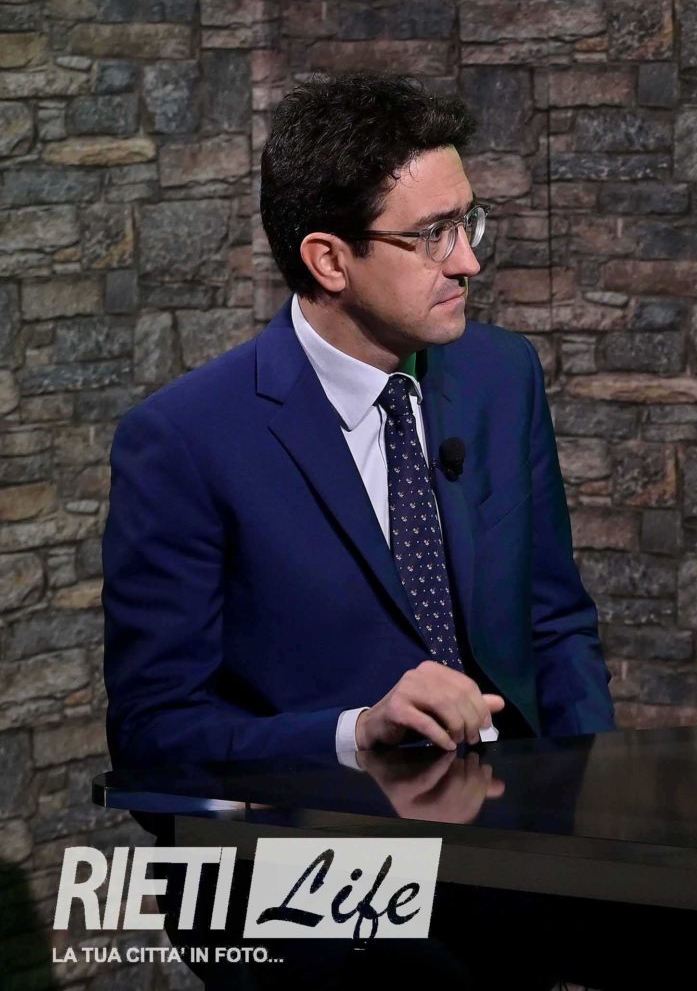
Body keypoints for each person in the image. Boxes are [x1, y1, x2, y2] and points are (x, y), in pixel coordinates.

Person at [104, 74, 614, 767]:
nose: (468, 261)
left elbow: (556, 625)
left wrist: (595, 794)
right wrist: (357, 733)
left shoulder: (502, 375)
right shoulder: (184, 442)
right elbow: (154, 736)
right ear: (330, 260)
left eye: (467, 222)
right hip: (337, 824)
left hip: (522, 811)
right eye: (433, 236)